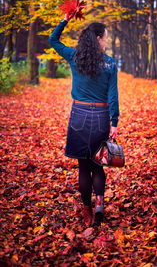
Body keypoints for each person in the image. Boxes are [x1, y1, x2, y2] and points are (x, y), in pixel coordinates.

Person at [49, 12, 119, 227]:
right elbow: (112, 95)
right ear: (98, 39)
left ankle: (87, 210)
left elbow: (53, 40)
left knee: (83, 167)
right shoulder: (109, 63)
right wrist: (114, 122)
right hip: (100, 118)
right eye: (105, 37)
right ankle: (99, 204)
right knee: (98, 166)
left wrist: (65, 19)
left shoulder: (74, 56)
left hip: (78, 116)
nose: (106, 40)